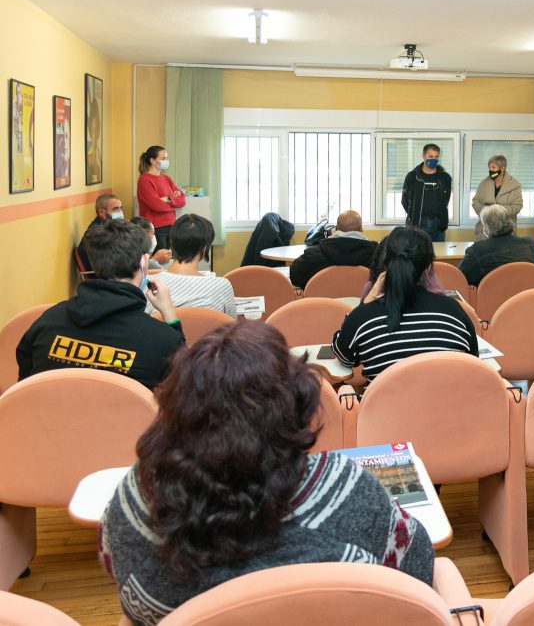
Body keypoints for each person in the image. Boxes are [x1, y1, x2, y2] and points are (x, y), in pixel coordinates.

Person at [99, 322, 434, 626]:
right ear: (295, 402)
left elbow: (116, 566)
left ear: (176, 407)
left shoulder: (138, 494)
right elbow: (417, 567)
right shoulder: (347, 489)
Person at [17, 219, 185, 389]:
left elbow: (24, 385)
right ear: (143, 262)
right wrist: (169, 314)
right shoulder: (164, 339)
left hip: (45, 414)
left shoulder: (48, 321)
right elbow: (182, 389)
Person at [333, 226, 478, 381]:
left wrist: (366, 303)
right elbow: (473, 360)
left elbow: (344, 358)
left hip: (385, 405)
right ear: (428, 268)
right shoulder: (454, 310)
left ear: (386, 265)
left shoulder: (362, 318)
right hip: (451, 403)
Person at [146, 214, 236, 317]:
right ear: (204, 248)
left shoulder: (149, 285)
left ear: (172, 244)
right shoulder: (221, 286)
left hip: (163, 333)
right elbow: (232, 326)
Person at [289, 210, 378, 289]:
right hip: (363, 305)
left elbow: (295, 277)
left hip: (322, 305)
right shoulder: (378, 255)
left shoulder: (313, 254)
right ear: (361, 229)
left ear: (336, 229)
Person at [459, 205, 534, 286]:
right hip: (528, 296)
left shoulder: (476, 251)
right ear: (509, 222)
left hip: (491, 298)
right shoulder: (529, 244)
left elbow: (459, 278)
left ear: (486, 228)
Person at [136, 145, 186, 250]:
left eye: (166, 158)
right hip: (155, 228)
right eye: (163, 159)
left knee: (169, 261)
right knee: (159, 263)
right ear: (152, 161)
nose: (166, 161)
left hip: (172, 226)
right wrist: (174, 203)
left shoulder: (166, 178)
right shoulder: (144, 180)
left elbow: (182, 200)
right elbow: (157, 206)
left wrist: (168, 199)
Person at [401, 143, 452, 241]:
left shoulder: (445, 178)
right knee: (417, 254)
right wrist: (414, 215)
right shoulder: (412, 177)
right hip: (417, 225)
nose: (434, 159)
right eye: (430, 156)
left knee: (438, 254)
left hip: (438, 224)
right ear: (423, 156)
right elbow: (405, 200)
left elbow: (446, 199)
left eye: (436, 156)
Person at [471, 155, 523, 241]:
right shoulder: (483, 184)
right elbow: (475, 201)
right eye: (489, 167)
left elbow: (517, 206)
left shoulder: (514, 185)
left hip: (506, 231)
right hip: (485, 230)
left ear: (502, 169)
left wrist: (497, 212)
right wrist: (486, 212)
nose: (490, 170)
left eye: (493, 167)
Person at [76, 193, 123, 273]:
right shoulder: (97, 233)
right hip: (103, 277)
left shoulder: (108, 227)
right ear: (102, 212)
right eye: (115, 209)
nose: (120, 212)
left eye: (120, 208)